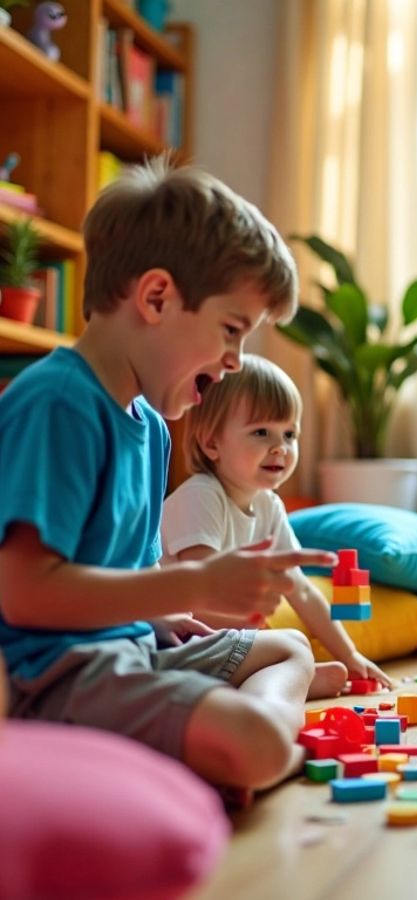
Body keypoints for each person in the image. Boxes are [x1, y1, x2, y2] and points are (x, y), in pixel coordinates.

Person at [0, 158, 337, 794]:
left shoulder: (152, 427)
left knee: (286, 651)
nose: (236, 361)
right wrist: (195, 582)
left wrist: (167, 619)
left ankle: (240, 739)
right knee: (257, 741)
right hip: (58, 673)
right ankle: (261, 746)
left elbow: (134, 572)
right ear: (157, 298)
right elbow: (25, 594)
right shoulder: (59, 403)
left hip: (132, 650)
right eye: (232, 331)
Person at [161, 354, 391, 700]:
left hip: (230, 640)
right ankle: (252, 686)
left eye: (290, 433)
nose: (280, 447)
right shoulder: (201, 497)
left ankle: (261, 681)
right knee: (291, 647)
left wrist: (350, 653)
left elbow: (301, 590)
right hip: (180, 641)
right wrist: (248, 620)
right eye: (261, 432)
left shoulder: (270, 505)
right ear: (212, 443)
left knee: (331, 670)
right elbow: (199, 589)